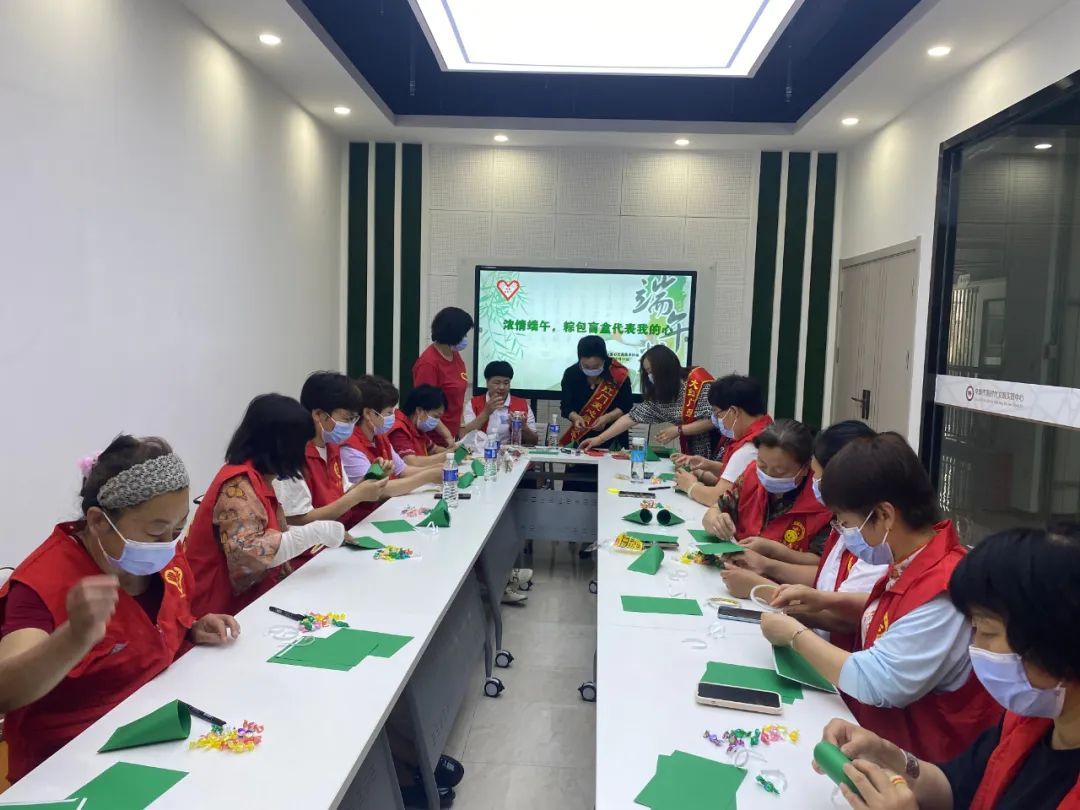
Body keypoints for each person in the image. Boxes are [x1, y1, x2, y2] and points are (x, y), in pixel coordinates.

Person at [0, 436, 239, 781]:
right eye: (156, 532)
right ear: (98, 522)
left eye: (178, 528)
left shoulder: (161, 556)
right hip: (71, 766)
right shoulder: (42, 583)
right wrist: (73, 638)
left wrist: (190, 628)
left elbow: (151, 626)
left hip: (158, 731)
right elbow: (6, 692)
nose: (169, 545)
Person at [759, 433, 1001, 762]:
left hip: (914, 766)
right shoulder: (915, 560)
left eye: (847, 523)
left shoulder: (945, 592)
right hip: (872, 742)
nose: (843, 532)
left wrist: (794, 635)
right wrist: (824, 600)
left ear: (885, 515)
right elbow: (896, 612)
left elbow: (876, 682)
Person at [815, 527, 1080, 810]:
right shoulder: (1027, 722)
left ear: (1058, 640)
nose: (975, 646)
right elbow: (954, 787)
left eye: (987, 632)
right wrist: (885, 753)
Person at [717, 421, 887, 651]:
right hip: (815, 641)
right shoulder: (846, 523)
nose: (813, 482)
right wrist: (768, 561)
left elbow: (845, 618)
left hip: (831, 653)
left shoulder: (873, 540)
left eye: (816, 474)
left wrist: (761, 587)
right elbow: (825, 578)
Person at [186, 394, 351, 616]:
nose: (305, 452)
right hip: (218, 611)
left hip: (249, 601)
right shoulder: (238, 485)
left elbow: (267, 531)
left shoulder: (260, 478)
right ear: (281, 446)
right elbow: (249, 555)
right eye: (302, 444)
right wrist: (318, 532)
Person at [272, 372, 388, 533]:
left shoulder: (332, 446)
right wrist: (357, 496)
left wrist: (370, 479)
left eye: (354, 419)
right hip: (312, 545)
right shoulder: (292, 455)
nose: (351, 426)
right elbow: (296, 520)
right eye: (347, 419)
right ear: (318, 414)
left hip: (340, 533)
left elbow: (342, 495)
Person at [700, 419, 832, 553]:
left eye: (779, 471)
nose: (768, 475)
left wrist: (772, 555)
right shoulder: (752, 474)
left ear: (805, 468)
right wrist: (716, 522)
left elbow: (820, 560)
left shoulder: (821, 499)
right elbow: (716, 510)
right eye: (762, 466)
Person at [580, 345, 713, 456]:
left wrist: (678, 430)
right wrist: (599, 439)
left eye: (652, 371)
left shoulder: (697, 383)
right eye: (647, 372)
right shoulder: (662, 395)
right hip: (694, 453)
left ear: (666, 367)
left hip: (716, 447)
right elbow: (631, 418)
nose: (650, 376)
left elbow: (712, 420)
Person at [673, 374, 772, 502]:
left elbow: (718, 498)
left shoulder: (749, 448)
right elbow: (738, 476)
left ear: (734, 412)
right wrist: (708, 465)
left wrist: (690, 486)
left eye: (717, 414)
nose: (717, 420)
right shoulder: (766, 429)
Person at [340, 375, 444, 497]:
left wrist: (436, 469)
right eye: (389, 412)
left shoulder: (380, 437)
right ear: (368, 413)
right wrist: (428, 476)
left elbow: (403, 471)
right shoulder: (350, 447)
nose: (393, 417)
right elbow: (377, 489)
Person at [412, 306, 474, 444]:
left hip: (453, 435)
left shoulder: (455, 355)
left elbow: (458, 396)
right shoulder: (428, 364)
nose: (465, 338)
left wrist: (461, 427)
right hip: (434, 439)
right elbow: (426, 406)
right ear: (452, 334)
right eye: (463, 334)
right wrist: (447, 435)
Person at [559, 335, 633, 448]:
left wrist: (607, 418)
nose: (591, 370)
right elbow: (566, 406)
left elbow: (626, 405)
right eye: (586, 366)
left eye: (596, 366)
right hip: (581, 437)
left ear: (604, 359)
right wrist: (576, 418)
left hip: (614, 437)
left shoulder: (618, 374)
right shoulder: (571, 374)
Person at [458, 360, 538, 445]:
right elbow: (464, 435)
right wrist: (486, 412)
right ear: (487, 382)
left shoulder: (522, 405)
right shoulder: (473, 404)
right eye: (497, 383)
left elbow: (534, 441)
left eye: (506, 383)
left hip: (512, 451)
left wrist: (523, 427)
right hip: (482, 451)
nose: (502, 387)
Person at [388, 384, 452, 467]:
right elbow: (412, 462)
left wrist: (453, 452)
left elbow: (434, 449)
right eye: (436, 416)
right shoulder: (399, 430)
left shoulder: (417, 428)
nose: (437, 422)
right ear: (419, 410)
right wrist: (446, 456)